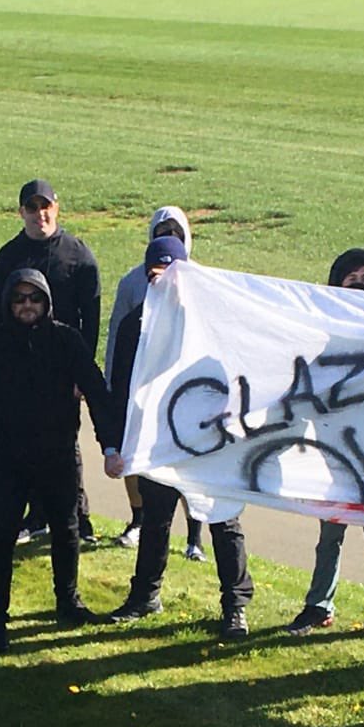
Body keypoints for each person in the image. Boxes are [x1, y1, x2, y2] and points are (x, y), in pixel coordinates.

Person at [0, 268, 119, 654]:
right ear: (7, 303)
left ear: (46, 302)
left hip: (59, 455)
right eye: (19, 298)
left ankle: (68, 601)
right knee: (1, 539)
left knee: (67, 531)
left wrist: (110, 447)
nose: (27, 305)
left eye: (34, 298)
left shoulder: (66, 340)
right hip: (10, 460)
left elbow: (97, 391)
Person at [104, 238, 252, 638]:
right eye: (155, 276)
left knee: (223, 520)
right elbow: (120, 391)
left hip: (207, 443)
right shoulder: (134, 324)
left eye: (171, 276)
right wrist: (114, 445)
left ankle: (235, 605)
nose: (162, 283)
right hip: (158, 443)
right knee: (155, 519)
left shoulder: (212, 323)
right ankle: (145, 596)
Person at [285, 248, 364, 644]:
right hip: (335, 443)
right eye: (350, 277)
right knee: (331, 530)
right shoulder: (326, 327)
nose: (358, 283)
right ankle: (319, 605)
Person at [0, 178, 101, 544]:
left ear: (57, 207)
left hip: (64, 368)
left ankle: (77, 519)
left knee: (66, 443)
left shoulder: (78, 255)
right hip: (18, 369)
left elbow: (92, 318)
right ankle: (32, 517)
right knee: (20, 440)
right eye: (32, 208)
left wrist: (84, 373)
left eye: (45, 206)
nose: (40, 214)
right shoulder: (6, 259)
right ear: (21, 213)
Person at [105, 206, 206, 556]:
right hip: (141, 386)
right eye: (162, 231)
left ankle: (195, 536)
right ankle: (138, 520)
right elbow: (118, 334)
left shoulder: (203, 282)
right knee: (137, 458)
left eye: (175, 233)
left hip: (185, 392)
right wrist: (110, 382)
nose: (169, 237)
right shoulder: (133, 282)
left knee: (187, 464)